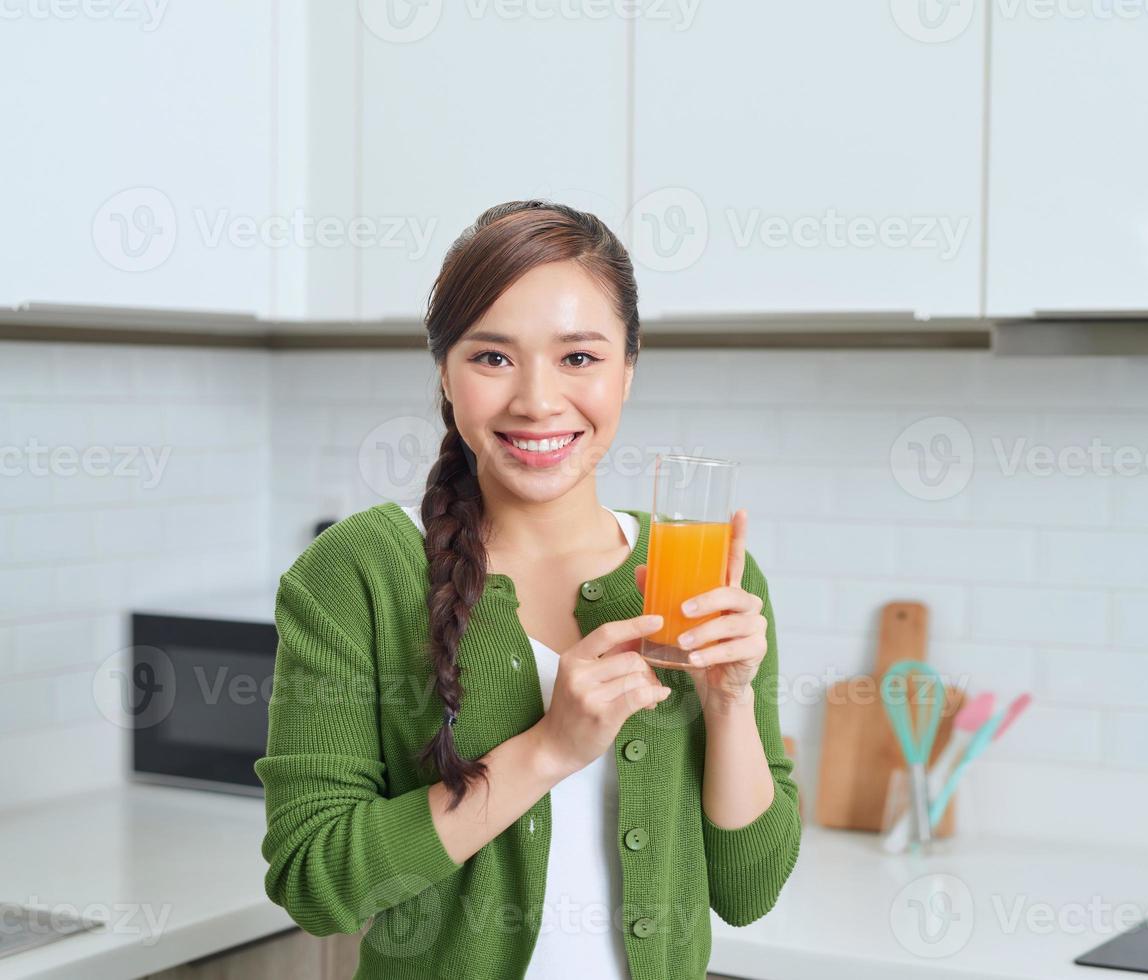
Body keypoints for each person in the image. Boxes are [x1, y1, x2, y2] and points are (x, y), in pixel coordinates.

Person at [254, 200, 801, 979]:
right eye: (492, 357)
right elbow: (315, 883)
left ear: (627, 370)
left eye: (579, 357)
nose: (538, 401)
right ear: (444, 371)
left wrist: (729, 702)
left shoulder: (710, 574)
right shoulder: (358, 571)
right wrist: (548, 751)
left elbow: (750, 888)